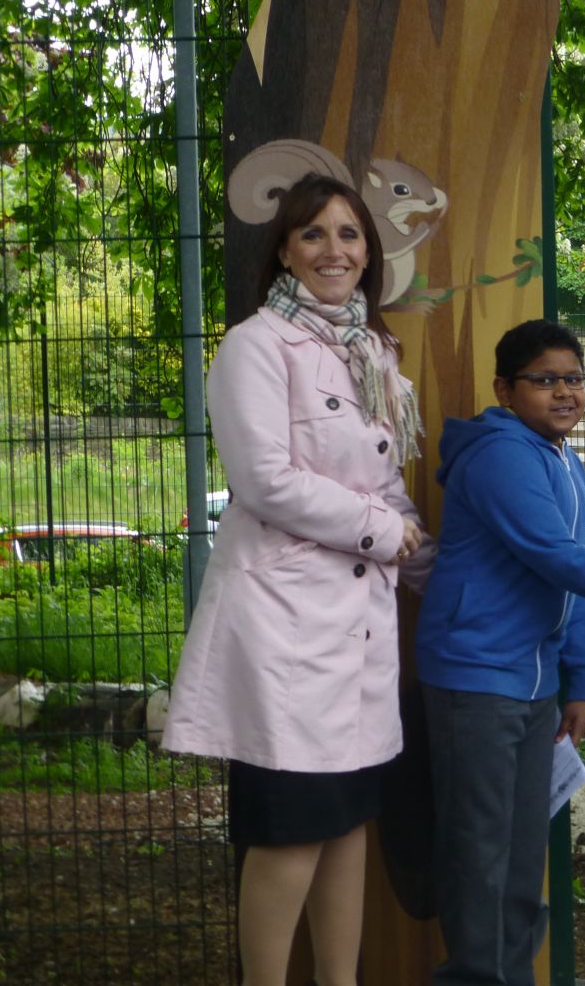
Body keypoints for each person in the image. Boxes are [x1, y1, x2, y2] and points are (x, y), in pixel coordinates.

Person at [163, 173, 432, 986]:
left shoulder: (372, 351)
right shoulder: (253, 345)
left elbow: (384, 485)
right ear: (283, 249)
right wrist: (389, 533)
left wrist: (423, 557)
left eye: (349, 235)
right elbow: (265, 482)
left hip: (356, 631)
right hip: (283, 627)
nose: (333, 250)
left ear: (368, 254)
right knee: (291, 832)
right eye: (313, 234)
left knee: (349, 825)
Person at [415, 319, 585, 986]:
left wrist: (580, 682)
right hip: (476, 680)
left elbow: (569, 572)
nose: (564, 392)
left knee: (519, 857)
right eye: (545, 380)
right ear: (505, 390)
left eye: (575, 378)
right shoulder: (501, 455)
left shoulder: (561, 459)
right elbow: (556, 557)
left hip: (533, 687)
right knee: (480, 852)